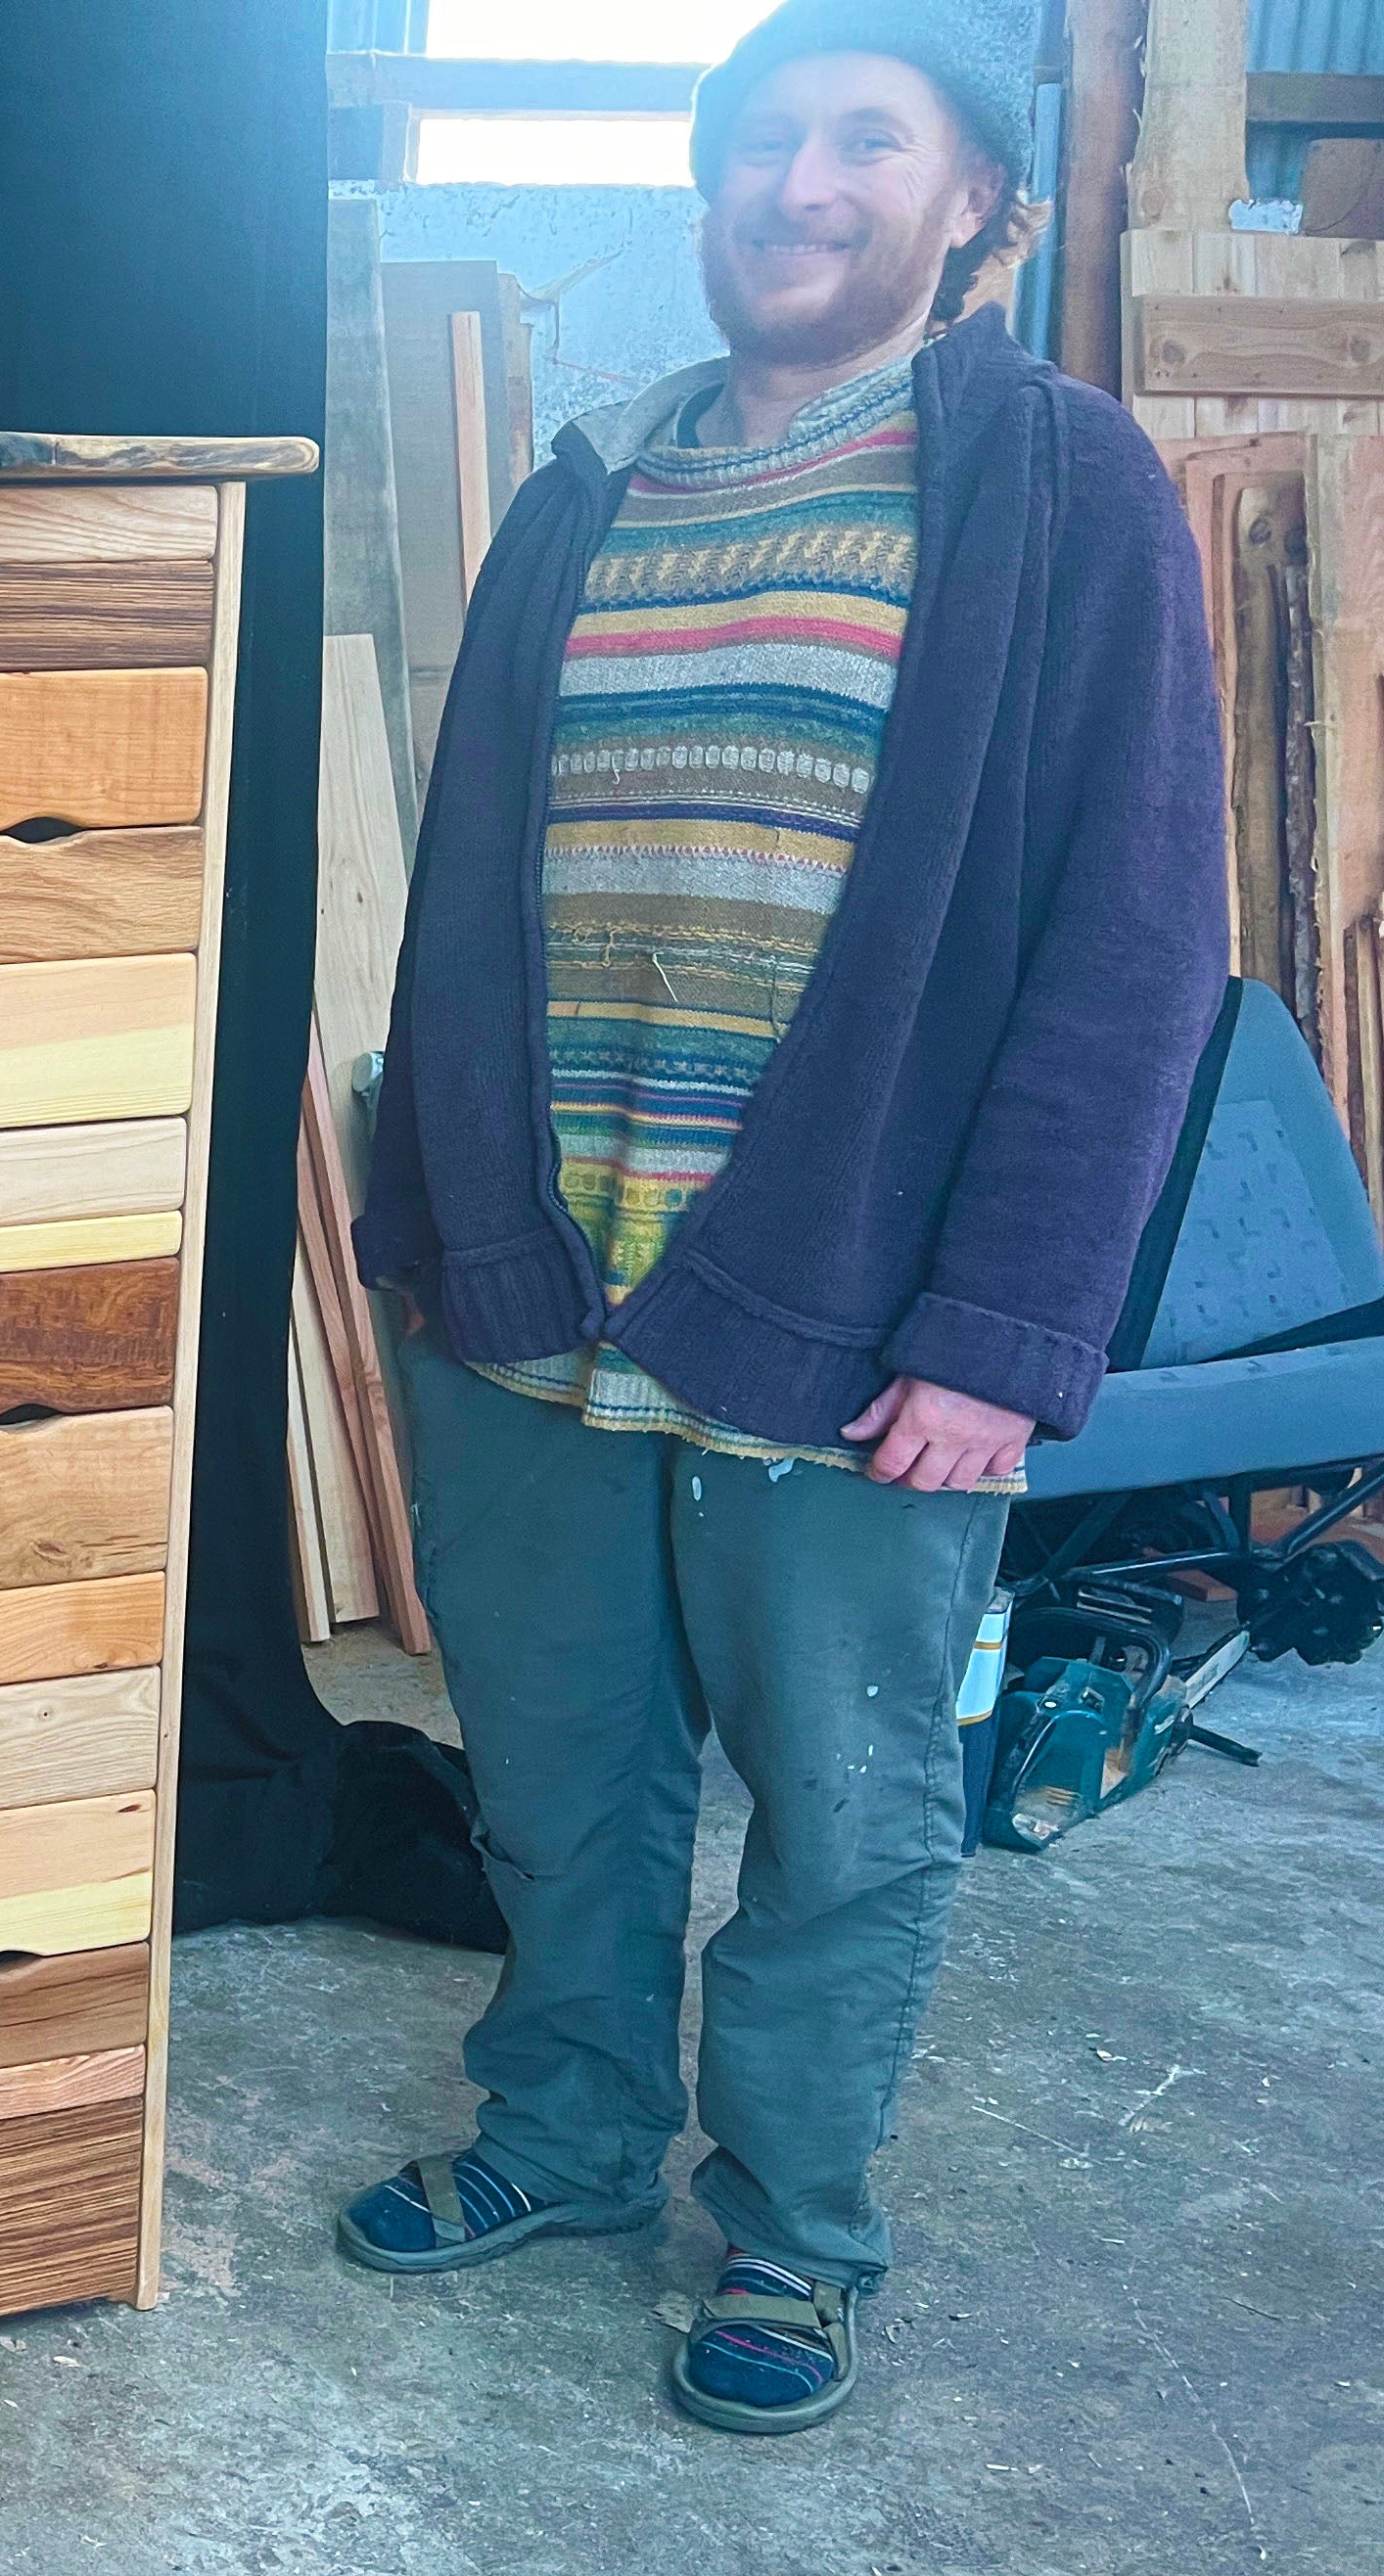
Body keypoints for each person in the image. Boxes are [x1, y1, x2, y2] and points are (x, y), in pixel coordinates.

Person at [343, 0, 1227, 2433]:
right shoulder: (588, 488)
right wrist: (437, 1223)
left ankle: (797, 2237)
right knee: (554, 1764)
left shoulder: (1055, 484)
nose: (799, 183)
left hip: (846, 1322)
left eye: (869, 140)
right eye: (755, 144)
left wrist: (1004, 1327)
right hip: (538, 1294)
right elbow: (464, 905)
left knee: (842, 1808)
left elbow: (1136, 942)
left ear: (980, 208)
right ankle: (564, 2133)